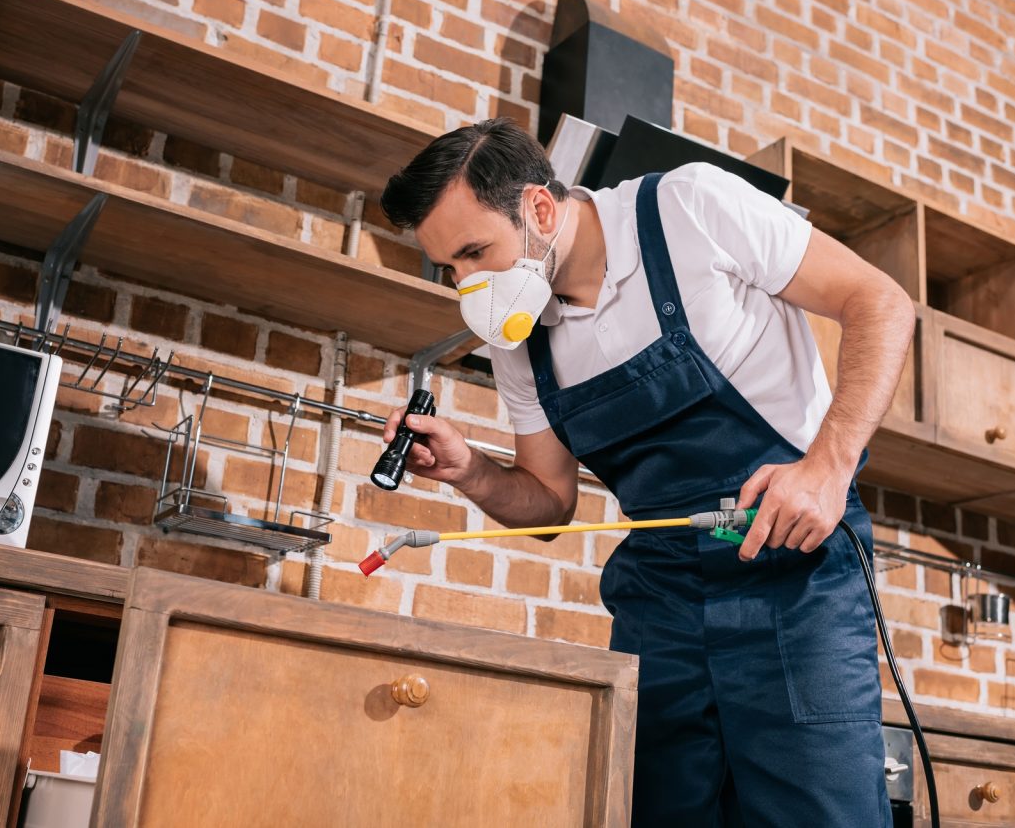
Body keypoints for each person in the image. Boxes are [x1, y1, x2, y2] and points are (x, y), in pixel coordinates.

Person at [378, 117, 914, 826]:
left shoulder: (689, 209)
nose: (468, 284)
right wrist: (470, 470)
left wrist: (828, 467)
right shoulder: (520, 344)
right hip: (662, 599)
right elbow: (547, 501)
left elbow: (879, 301)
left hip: (796, 581)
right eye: (452, 269)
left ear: (540, 208)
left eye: (477, 252)